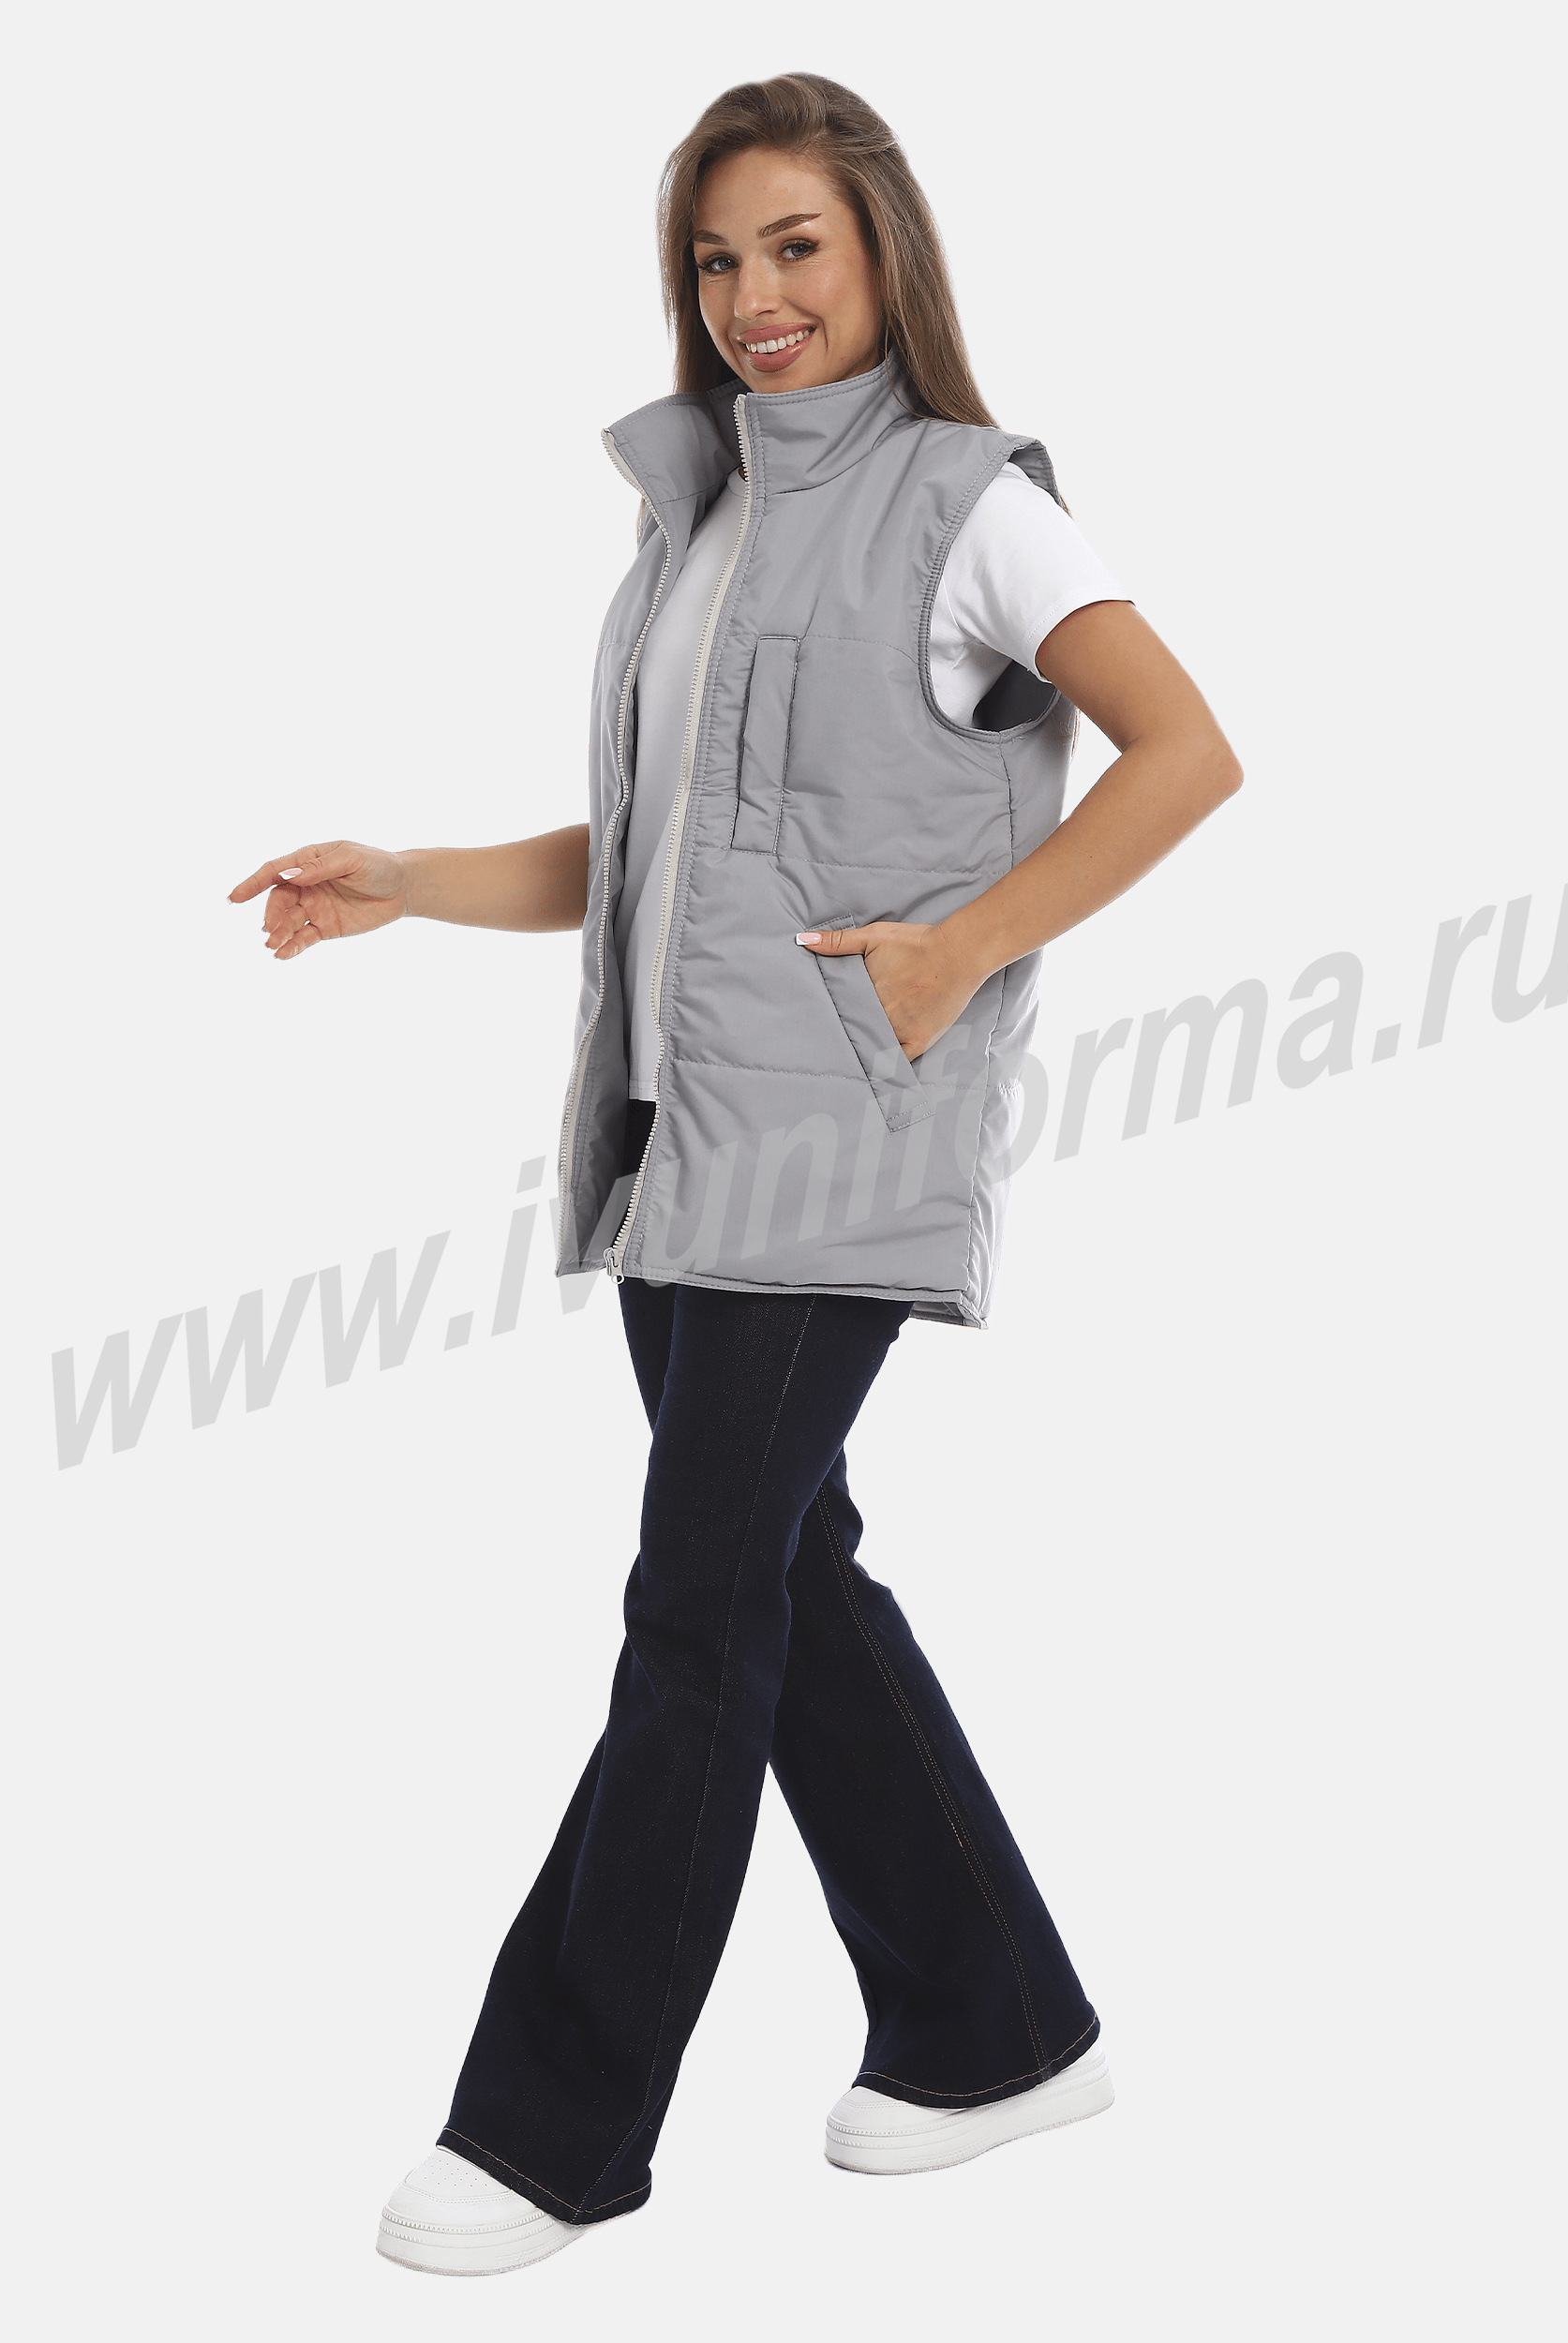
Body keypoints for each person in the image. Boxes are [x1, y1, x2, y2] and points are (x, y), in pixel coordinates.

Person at [229, 72, 1241, 2278]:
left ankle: (551, 2127)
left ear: (882, 249)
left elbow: (1187, 751)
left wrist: (962, 948)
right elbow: (651, 860)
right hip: (672, 1135)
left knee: (696, 1608)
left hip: (836, 1142)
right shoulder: (691, 526)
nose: (754, 296)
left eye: (795, 245)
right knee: (792, 1577)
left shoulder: (971, 505)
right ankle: (994, 2025)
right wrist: (406, 874)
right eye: (716, 259)